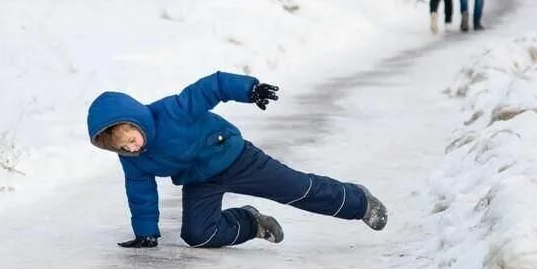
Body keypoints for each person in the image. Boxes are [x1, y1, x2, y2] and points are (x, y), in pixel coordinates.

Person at [87, 73, 389, 249]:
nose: (131, 146)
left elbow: (211, 86)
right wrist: (146, 233)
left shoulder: (171, 111)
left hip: (235, 157)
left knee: (297, 189)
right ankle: (251, 222)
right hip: (199, 179)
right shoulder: (133, 160)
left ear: (136, 120)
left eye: (131, 136)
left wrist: (249, 89)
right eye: (123, 146)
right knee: (198, 235)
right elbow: (140, 193)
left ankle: (358, 202)